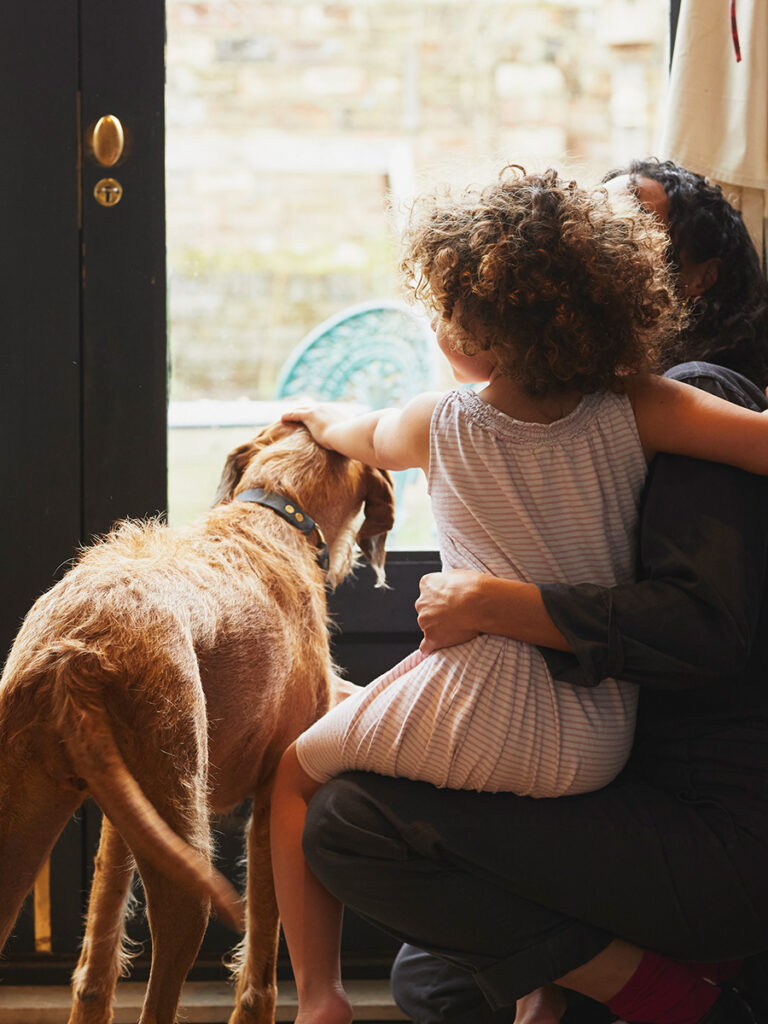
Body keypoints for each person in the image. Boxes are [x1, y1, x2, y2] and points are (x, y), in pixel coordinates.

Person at [268, 167, 768, 1024]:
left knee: (300, 783)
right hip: (598, 742)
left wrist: (314, 418)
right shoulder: (643, 407)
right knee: (452, 919)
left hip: (507, 719)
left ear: (466, 327)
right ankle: (549, 987)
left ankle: (317, 997)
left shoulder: (439, 421)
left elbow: (362, 435)